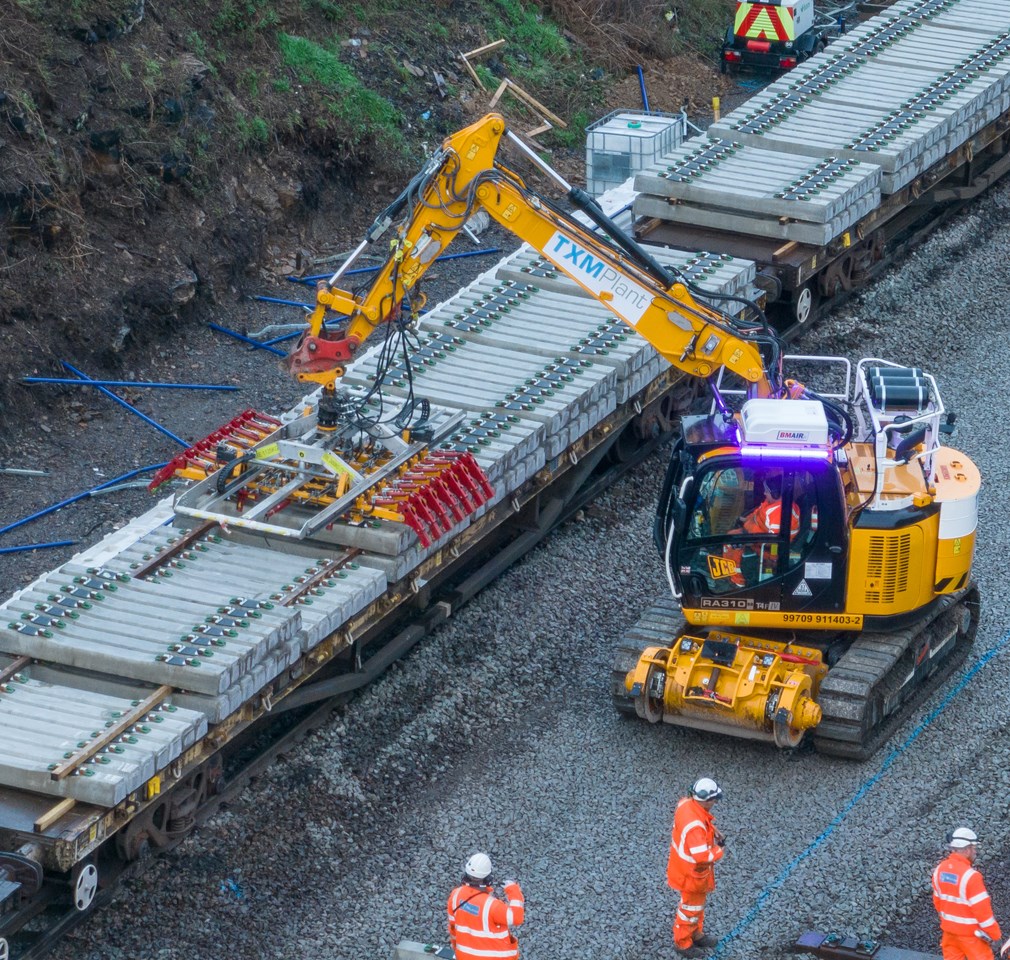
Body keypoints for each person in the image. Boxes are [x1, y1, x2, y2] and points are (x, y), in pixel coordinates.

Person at [667, 778, 725, 957]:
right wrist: (719, 850)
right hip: (692, 874)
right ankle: (683, 943)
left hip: (683, 867)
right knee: (689, 909)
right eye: (714, 799)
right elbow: (702, 857)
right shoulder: (695, 828)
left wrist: (712, 829)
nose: (715, 802)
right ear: (707, 800)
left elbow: (699, 822)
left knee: (696, 906)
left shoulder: (686, 804)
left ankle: (695, 933)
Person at [931, 827, 1004, 960]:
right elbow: (983, 913)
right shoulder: (971, 877)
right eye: (974, 848)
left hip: (949, 934)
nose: (975, 852)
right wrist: (995, 935)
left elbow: (938, 902)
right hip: (972, 936)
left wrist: (950, 922)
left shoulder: (939, 870)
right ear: (967, 849)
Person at [726, 473, 800, 587]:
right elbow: (758, 514)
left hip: (766, 548)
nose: (764, 493)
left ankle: (738, 582)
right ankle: (732, 575)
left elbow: (774, 542)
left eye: (767, 491)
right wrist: (744, 519)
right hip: (753, 535)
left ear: (775, 493)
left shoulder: (780, 513)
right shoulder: (772, 503)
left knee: (731, 544)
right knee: (730, 537)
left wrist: (750, 541)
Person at [447, 852, 525, 960]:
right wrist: (513, 890)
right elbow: (516, 918)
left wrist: (457, 950)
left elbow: (452, 927)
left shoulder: (455, 895)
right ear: (488, 878)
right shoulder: (492, 906)